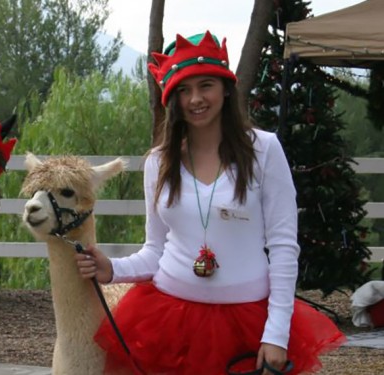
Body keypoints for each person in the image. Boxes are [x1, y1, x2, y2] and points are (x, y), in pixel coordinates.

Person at [75, 31, 346, 374]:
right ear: (171, 98)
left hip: (247, 323)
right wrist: (112, 269)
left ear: (226, 88)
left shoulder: (264, 150)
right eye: (184, 90)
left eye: (206, 85)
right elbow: (155, 250)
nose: (195, 99)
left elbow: (282, 246)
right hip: (168, 322)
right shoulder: (159, 162)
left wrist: (276, 333)